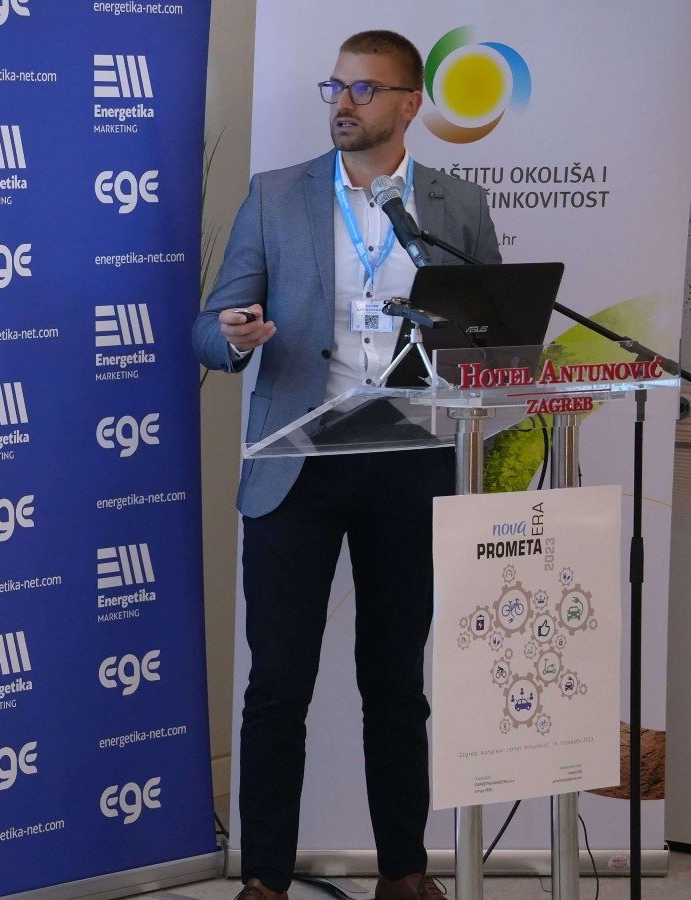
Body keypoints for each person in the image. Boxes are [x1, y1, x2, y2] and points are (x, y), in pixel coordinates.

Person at [191, 30, 502, 900]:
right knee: (277, 685)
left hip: (409, 461)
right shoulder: (276, 194)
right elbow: (208, 327)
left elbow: (495, 328)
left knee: (396, 682)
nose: (344, 103)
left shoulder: (457, 205)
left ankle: (404, 873)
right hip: (297, 466)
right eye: (337, 86)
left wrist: (482, 352)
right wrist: (233, 335)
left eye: (366, 89)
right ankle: (265, 882)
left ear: (410, 104)